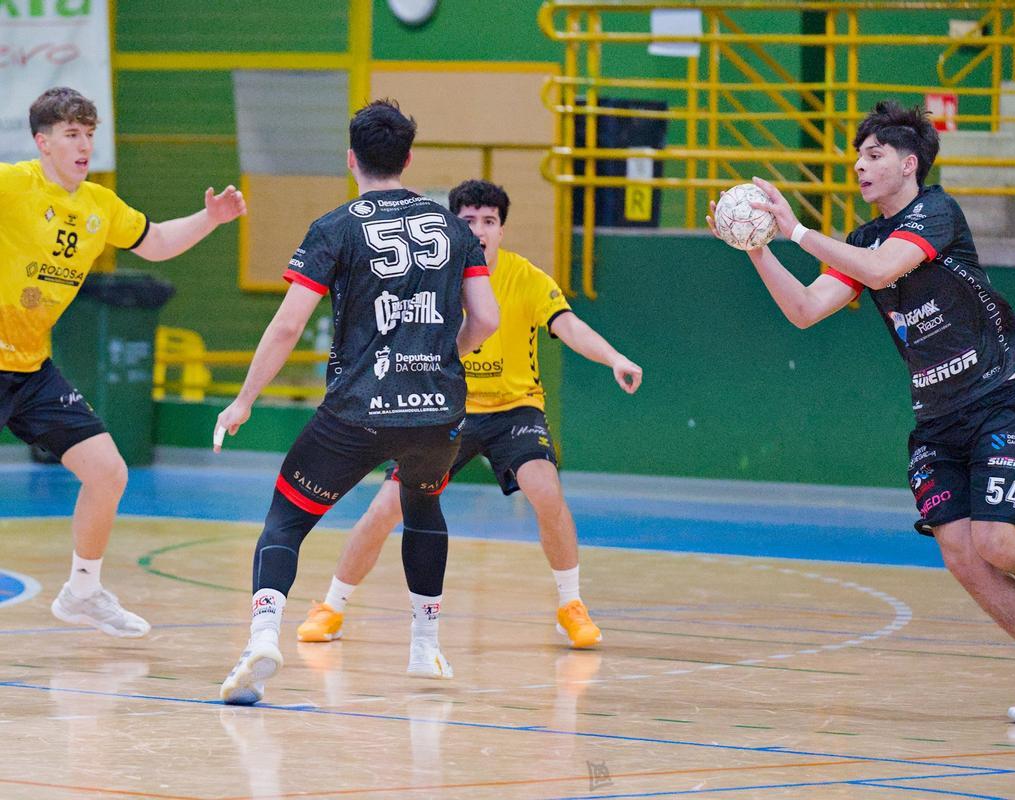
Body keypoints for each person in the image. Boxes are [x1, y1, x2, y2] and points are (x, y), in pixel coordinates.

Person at [712, 100, 1015, 724]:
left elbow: (879, 268)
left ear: (908, 162)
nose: (861, 168)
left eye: (874, 156)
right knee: (964, 557)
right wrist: (755, 248)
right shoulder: (863, 238)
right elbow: (807, 309)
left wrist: (794, 229)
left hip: (993, 398)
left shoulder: (936, 214)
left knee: (1000, 541)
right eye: (857, 158)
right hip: (936, 420)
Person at [214, 100, 499, 705]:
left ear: (352, 160)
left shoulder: (335, 227)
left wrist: (243, 400)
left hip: (357, 411)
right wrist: (444, 360)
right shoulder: (455, 228)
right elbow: (487, 319)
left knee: (286, 520)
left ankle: (263, 636)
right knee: (422, 508)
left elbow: (289, 326)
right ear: (409, 158)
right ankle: (425, 646)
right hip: (437, 415)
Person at [294, 179, 642, 650]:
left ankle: (570, 605)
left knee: (544, 487)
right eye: (468, 220)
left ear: (501, 230)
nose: (479, 230)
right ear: (450, 224)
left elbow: (570, 326)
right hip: (444, 408)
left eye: (489, 221)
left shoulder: (527, 278)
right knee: (384, 509)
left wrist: (615, 357)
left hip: (513, 409)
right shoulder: (430, 276)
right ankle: (331, 607)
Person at [0, 86, 245, 637]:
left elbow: (155, 242)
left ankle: (83, 591)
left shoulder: (98, 205)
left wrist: (211, 219)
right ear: (42, 142)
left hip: (31, 368)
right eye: (71, 134)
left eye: (90, 133)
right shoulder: (14, 184)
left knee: (108, 472)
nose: (84, 144)